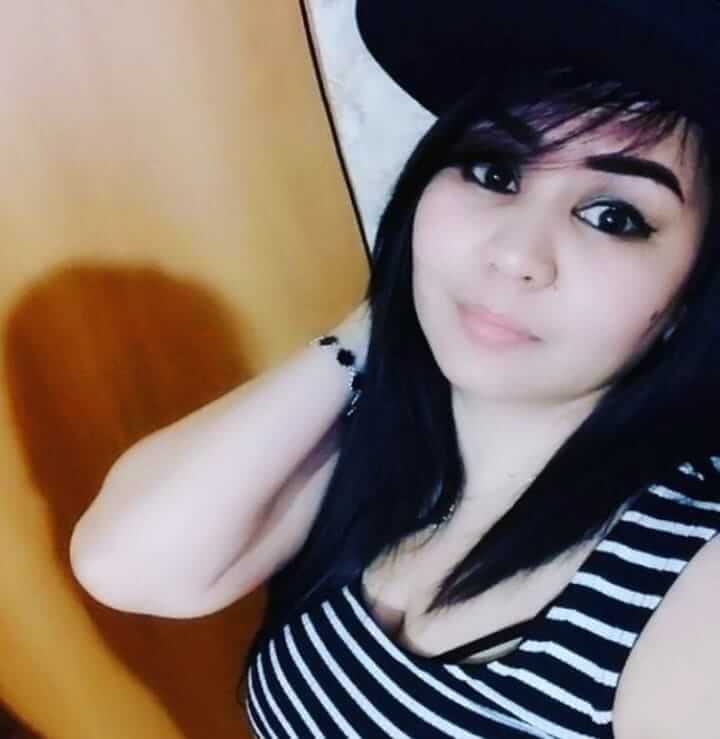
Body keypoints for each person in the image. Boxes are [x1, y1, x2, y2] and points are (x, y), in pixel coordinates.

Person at [69, 1, 720, 737]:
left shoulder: (687, 567)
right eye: (494, 170)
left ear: (690, 296)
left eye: (614, 217)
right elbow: (128, 566)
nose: (514, 253)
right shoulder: (383, 447)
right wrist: (393, 307)